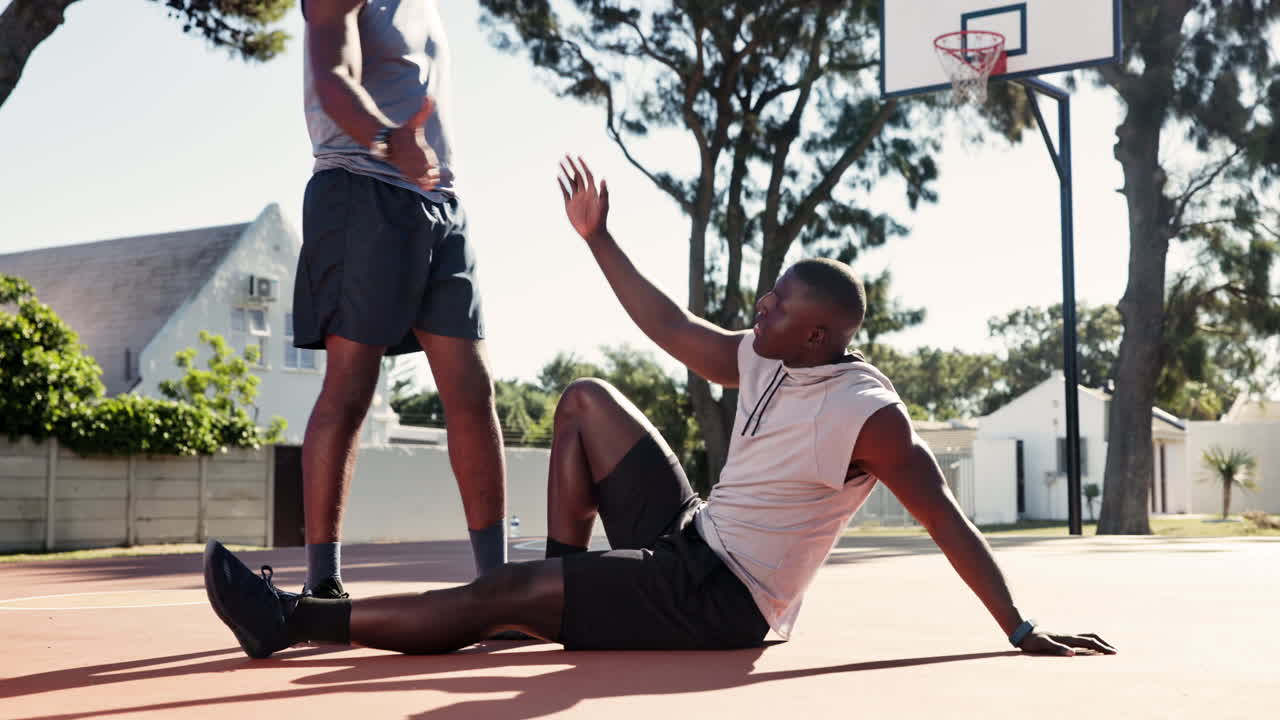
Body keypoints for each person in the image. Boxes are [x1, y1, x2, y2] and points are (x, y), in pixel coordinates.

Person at [204, 157, 1116, 659]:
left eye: (776, 311)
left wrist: (1020, 626)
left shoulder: (869, 417)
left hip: (723, 599)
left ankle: (294, 623)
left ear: (823, 338)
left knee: (499, 591)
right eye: (764, 299)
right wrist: (601, 239)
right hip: (695, 534)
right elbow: (671, 326)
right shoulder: (767, 355)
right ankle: (549, 602)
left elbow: (945, 520)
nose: (756, 314)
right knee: (586, 401)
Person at [291, 0, 508, 598]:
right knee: (351, 386)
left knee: (471, 388)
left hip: (441, 205)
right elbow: (332, 74)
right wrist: (388, 140)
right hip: (362, 189)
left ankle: (497, 584)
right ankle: (322, 587)